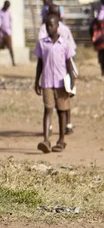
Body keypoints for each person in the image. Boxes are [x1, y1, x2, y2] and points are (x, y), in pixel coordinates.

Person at [34, 14, 75, 153]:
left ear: (58, 25)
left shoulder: (65, 43)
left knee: (62, 111)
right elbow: (40, 63)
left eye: (51, 25)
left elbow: (69, 63)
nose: (49, 27)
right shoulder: (42, 43)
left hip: (61, 82)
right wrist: (36, 81)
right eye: (47, 25)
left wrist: (72, 81)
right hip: (46, 82)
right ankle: (46, 140)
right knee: (48, 109)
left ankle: (61, 140)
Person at [0, 0, 15, 66]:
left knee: (10, 48)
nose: (7, 7)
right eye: (6, 6)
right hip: (1, 34)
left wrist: (9, 30)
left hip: (7, 33)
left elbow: (10, 22)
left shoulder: (8, 12)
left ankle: (13, 62)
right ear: (4, 5)